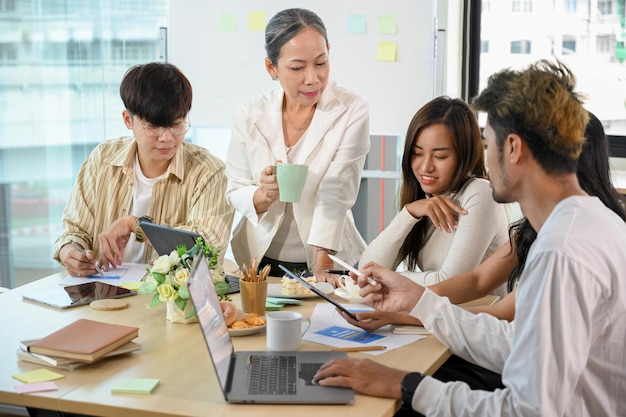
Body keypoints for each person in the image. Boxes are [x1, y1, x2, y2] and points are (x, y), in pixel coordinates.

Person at [313, 59, 626, 416]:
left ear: (513, 148)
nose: (486, 161)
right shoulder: (589, 224)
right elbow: (517, 345)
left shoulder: (563, 250)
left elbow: (526, 410)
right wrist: (419, 302)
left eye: (487, 144)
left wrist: (404, 385)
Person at [342, 110, 626, 331]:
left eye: (495, 146)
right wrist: (404, 305)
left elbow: (504, 313)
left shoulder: (566, 239)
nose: (493, 159)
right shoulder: (538, 227)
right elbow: (477, 280)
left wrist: (406, 307)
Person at [225, 8, 369, 284]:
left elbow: (336, 192)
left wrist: (323, 266)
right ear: (272, 67)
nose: (312, 78)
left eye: (321, 63)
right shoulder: (248, 115)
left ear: (329, 51)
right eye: (297, 67)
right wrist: (264, 195)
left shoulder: (352, 110)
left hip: (330, 259)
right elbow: (235, 189)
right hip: (260, 261)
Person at [54, 62, 234, 277]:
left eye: (177, 125)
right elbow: (75, 230)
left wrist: (136, 225)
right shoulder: (103, 159)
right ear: (128, 119)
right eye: (154, 126)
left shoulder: (208, 172)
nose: (167, 137)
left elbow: (209, 248)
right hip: (103, 293)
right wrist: (70, 251)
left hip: (169, 301)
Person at [359, 96, 509, 289]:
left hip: (481, 317)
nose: (425, 166)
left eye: (440, 156)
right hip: (444, 316)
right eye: (417, 153)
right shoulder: (426, 201)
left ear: (465, 156)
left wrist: (386, 277)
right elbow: (366, 268)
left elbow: (450, 284)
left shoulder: (481, 193)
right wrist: (409, 213)